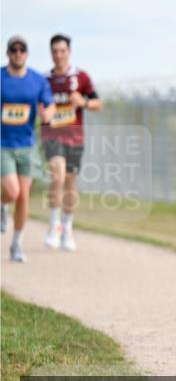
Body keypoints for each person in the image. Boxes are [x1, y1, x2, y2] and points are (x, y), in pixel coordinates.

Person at [41, 33, 101, 251]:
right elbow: (37, 105)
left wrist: (83, 102)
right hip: (52, 136)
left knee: (70, 183)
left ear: (69, 52)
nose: (59, 55)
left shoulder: (81, 77)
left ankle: (67, 228)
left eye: (62, 51)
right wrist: (43, 111)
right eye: (55, 51)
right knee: (57, 175)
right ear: (51, 53)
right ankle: (54, 226)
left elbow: (97, 103)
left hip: (75, 137)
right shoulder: (44, 80)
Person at [1, 36, 55, 262]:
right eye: (13, 49)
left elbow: (50, 106)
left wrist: (47, 115)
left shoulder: (37, 80)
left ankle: (16, 244)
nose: (18, 53)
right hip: (3, 144)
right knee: (12, 191)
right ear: (8, 53)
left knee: (23, 195)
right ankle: (3, 204)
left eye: (22, 49)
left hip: (27, 144)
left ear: (27, 53)